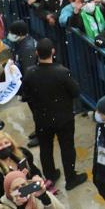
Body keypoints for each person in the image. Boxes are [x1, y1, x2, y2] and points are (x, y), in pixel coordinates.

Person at [18, 38, 86, 190]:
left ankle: (50, 175)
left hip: (42, 119)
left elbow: (25, 95)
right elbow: (75, 91)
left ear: (37, 53)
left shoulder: (30, 73)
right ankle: (71, 177)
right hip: (64, 118)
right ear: (53, 52)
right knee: (67, 147)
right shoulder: (62, 72)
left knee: (45, 148)